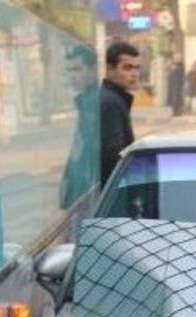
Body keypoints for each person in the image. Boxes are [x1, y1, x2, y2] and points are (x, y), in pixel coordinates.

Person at [60, 45, 99, 209]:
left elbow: (91, 155)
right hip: (82, 197)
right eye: (69, 70)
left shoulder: (93, 103)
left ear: (93, 70)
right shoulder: (86, 102)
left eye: (77, 69)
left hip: (87, 198)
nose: (72, 76)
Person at [100, 41, 139, 182]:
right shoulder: (111, 102)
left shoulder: (113, 98)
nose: (134, 74)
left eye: (136, 68)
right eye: (127, 68)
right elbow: (114, 157)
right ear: (110, 69)